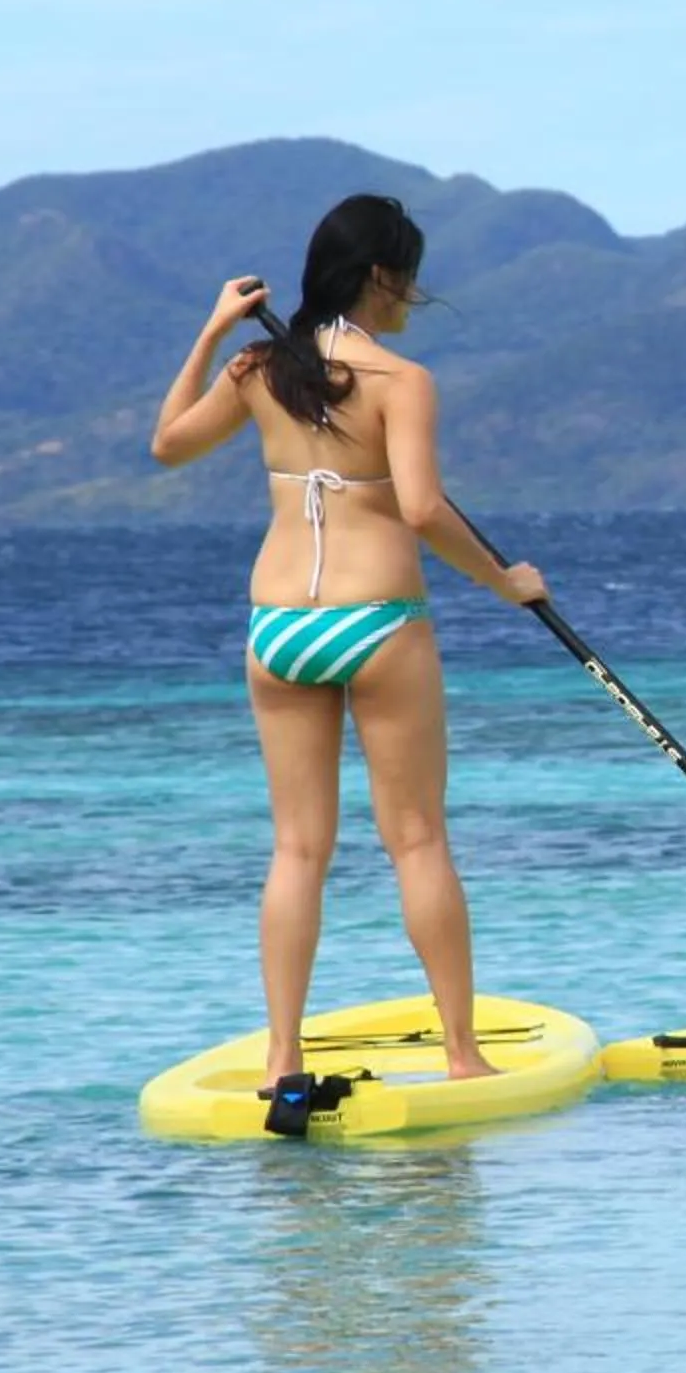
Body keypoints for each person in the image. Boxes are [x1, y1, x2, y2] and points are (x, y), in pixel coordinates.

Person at [148, 193, 548, 1090]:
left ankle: (282, 1057)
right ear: (379, 277)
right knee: (416, 840)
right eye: (408, 274)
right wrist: (505, 582)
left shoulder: (258, 368)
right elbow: (420, 509)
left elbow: (168, 445)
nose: (414, 292)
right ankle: (461, 1054)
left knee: (297, 849)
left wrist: (213, 333)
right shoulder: (402, 382)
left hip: (279, 628)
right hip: (377, 624)